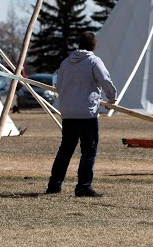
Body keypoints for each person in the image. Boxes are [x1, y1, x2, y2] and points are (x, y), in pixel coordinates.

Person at [46, 31, 117, 197]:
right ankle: (83, 186)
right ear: (94, 46)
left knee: (66, 149)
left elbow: (59, 86)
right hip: (87, 114)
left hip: (68, 113)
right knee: (88, 150)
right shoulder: (93, 61)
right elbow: (105, 80)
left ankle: (54, 184)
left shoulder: (66, 63)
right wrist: (112, 98)